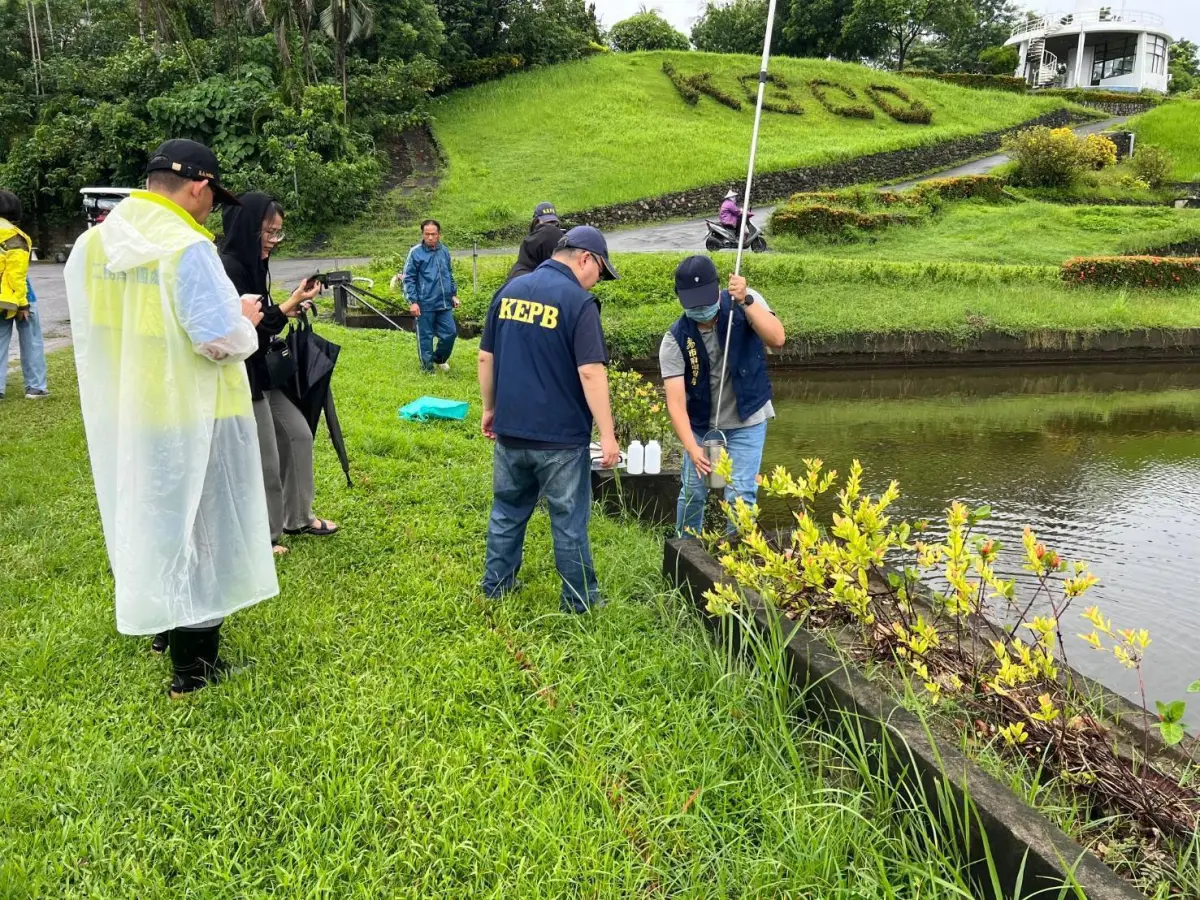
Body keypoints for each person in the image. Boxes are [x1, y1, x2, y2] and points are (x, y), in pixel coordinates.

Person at [64, 138, 279, 698]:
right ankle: (194, 667)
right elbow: (217, 340)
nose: (211, 211)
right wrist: (245, 317)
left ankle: (162, 624)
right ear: (199, 187)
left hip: (134, 408)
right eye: (214, 198)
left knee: (159, 518)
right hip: (195, 410)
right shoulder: (187, 247)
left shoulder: (96, 244)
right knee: (204, 532)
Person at [478, 225, 620, 615]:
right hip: (560, 438)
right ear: (585, 258)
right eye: (600, 273)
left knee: (507, 511)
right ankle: (579, 601)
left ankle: (496, 587)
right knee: (569, 521)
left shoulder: (509, 292)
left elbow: (485, 356)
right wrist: (608, 435)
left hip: (511, 431)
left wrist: (489, 409)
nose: (597, 282)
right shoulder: (579, 303)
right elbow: (590, 372)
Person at [219, 191, 337, 563]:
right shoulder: (229, 268)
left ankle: (298, 517)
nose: (273, 240)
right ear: (248, 227)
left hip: (265, 372)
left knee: (299, 435)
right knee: (266, 459)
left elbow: (265, 320)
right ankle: (266, 536)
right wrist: (285, 307)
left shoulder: (256, 265)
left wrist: (288, 306)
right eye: (268, 231)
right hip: (245, 377)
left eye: (277, 233)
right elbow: (244, 328)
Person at [659, 255, 786, 538]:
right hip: (702, 427)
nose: (701, 310)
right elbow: (676, 404)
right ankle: (684, 552)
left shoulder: (747, 301)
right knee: (693, 492)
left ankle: (739, 558)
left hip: (748, 420)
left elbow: (778, 339)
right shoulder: (675, 339)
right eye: (694, 304)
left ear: (717, 288)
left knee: (741, 495)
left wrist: (746, 301)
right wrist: (692, 447)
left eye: (705, 301)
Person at [0, 190, 49, 400]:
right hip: (16, 298)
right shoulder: (15, 237)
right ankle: (35, 386)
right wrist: (23, 304)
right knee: (31, 340)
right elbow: (16, 275)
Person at [394, 219, 459, 373]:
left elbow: (449, 274)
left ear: (439, 234)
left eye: (433, 234)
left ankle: (439, 359)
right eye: (427, 234)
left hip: (444, 302)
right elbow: (408, 278)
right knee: (425, 337)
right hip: (424, 303)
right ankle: (427, 369)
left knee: (450, 333)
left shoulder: (444, 251)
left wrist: (453, 294)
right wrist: (413, 301)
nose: (430, 237)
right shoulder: (415, 253)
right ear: (423, 234)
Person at [507, 202, 565, 280]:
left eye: (553, 222)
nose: (551, 226)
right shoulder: (531, 243)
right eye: (547, 222)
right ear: (536, 222)